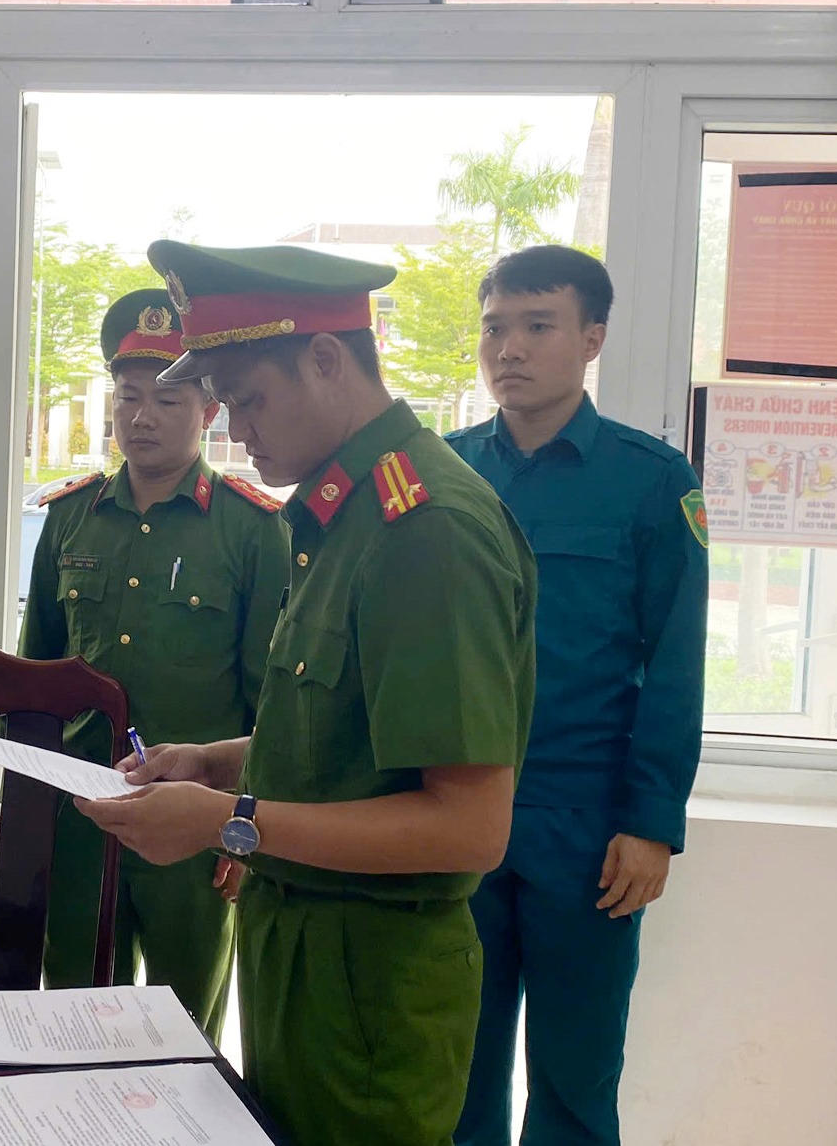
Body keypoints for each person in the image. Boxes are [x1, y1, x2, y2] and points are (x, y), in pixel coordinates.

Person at [77, 241, 539, 1146]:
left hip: (369, 979)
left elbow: (466, 827)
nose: (235, 430)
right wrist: (216, 763)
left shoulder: (423, 529)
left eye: (248, 399)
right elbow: (347, 737)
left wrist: (226, 822)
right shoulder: (342, 512)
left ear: (326, 359)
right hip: (303, 953)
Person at [447, 246, 708, 1146]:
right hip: (449, 809)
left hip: (586, 825)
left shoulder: (650, 481)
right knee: (454, 1068)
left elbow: (674, 663)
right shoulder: (441, 474)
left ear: (591, 339)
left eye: (537, 326)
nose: (508, 349)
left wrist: (651, 822)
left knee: (575, 1078)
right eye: (493, 327)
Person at [18, 289, 287, 1037]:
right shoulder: (69, 518)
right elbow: (35, 678)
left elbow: (273, 702)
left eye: (167, 400)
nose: (143, 416)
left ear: (208, 411)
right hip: (80, 814)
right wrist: (26, 802)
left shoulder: (252, 529)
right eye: (128, 397)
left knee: (183, 1029)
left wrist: (248, 826)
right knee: (73, 1019)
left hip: (197, 821)